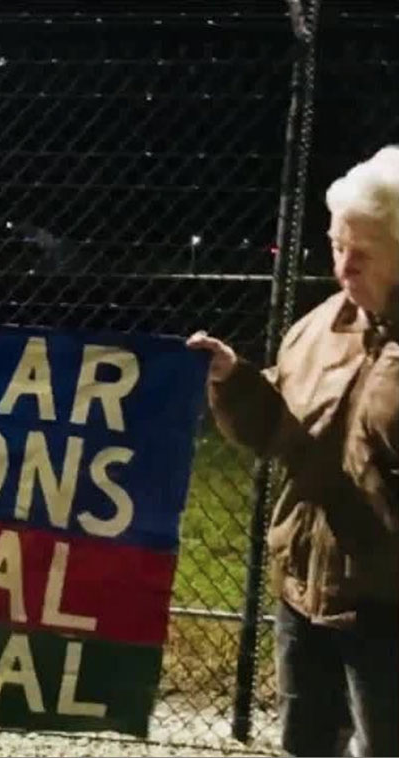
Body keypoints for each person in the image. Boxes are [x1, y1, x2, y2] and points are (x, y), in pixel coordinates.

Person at [188, 147, 399, 757]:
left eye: (361, 253)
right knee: (306, 743)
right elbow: (278, 426)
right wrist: (234, 381)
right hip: (304, 591)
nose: (342, 267)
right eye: (336, 246)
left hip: (385, 604)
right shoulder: (321, 327)